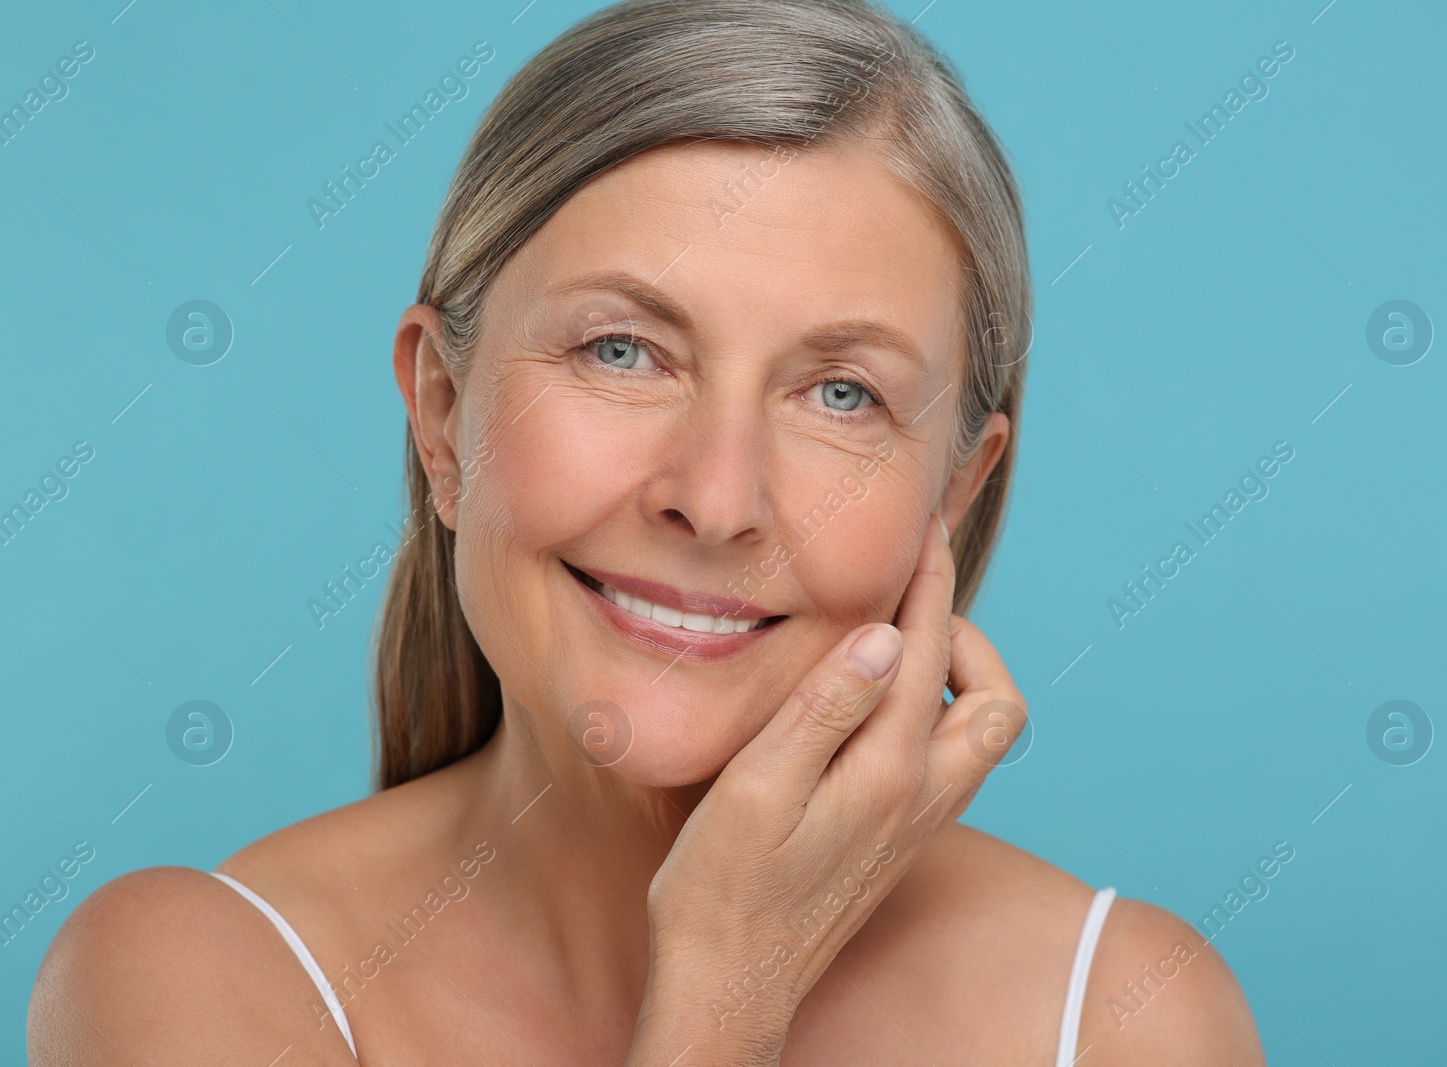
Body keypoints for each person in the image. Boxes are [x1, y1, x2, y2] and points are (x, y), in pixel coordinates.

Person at [28, 1, 1266, 1062]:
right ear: (444, 414)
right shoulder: (195, 980)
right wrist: (724, 991)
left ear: (952, 495)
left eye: (842, 393)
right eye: (622, 351)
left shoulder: (1125, 1017)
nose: (715, 496)